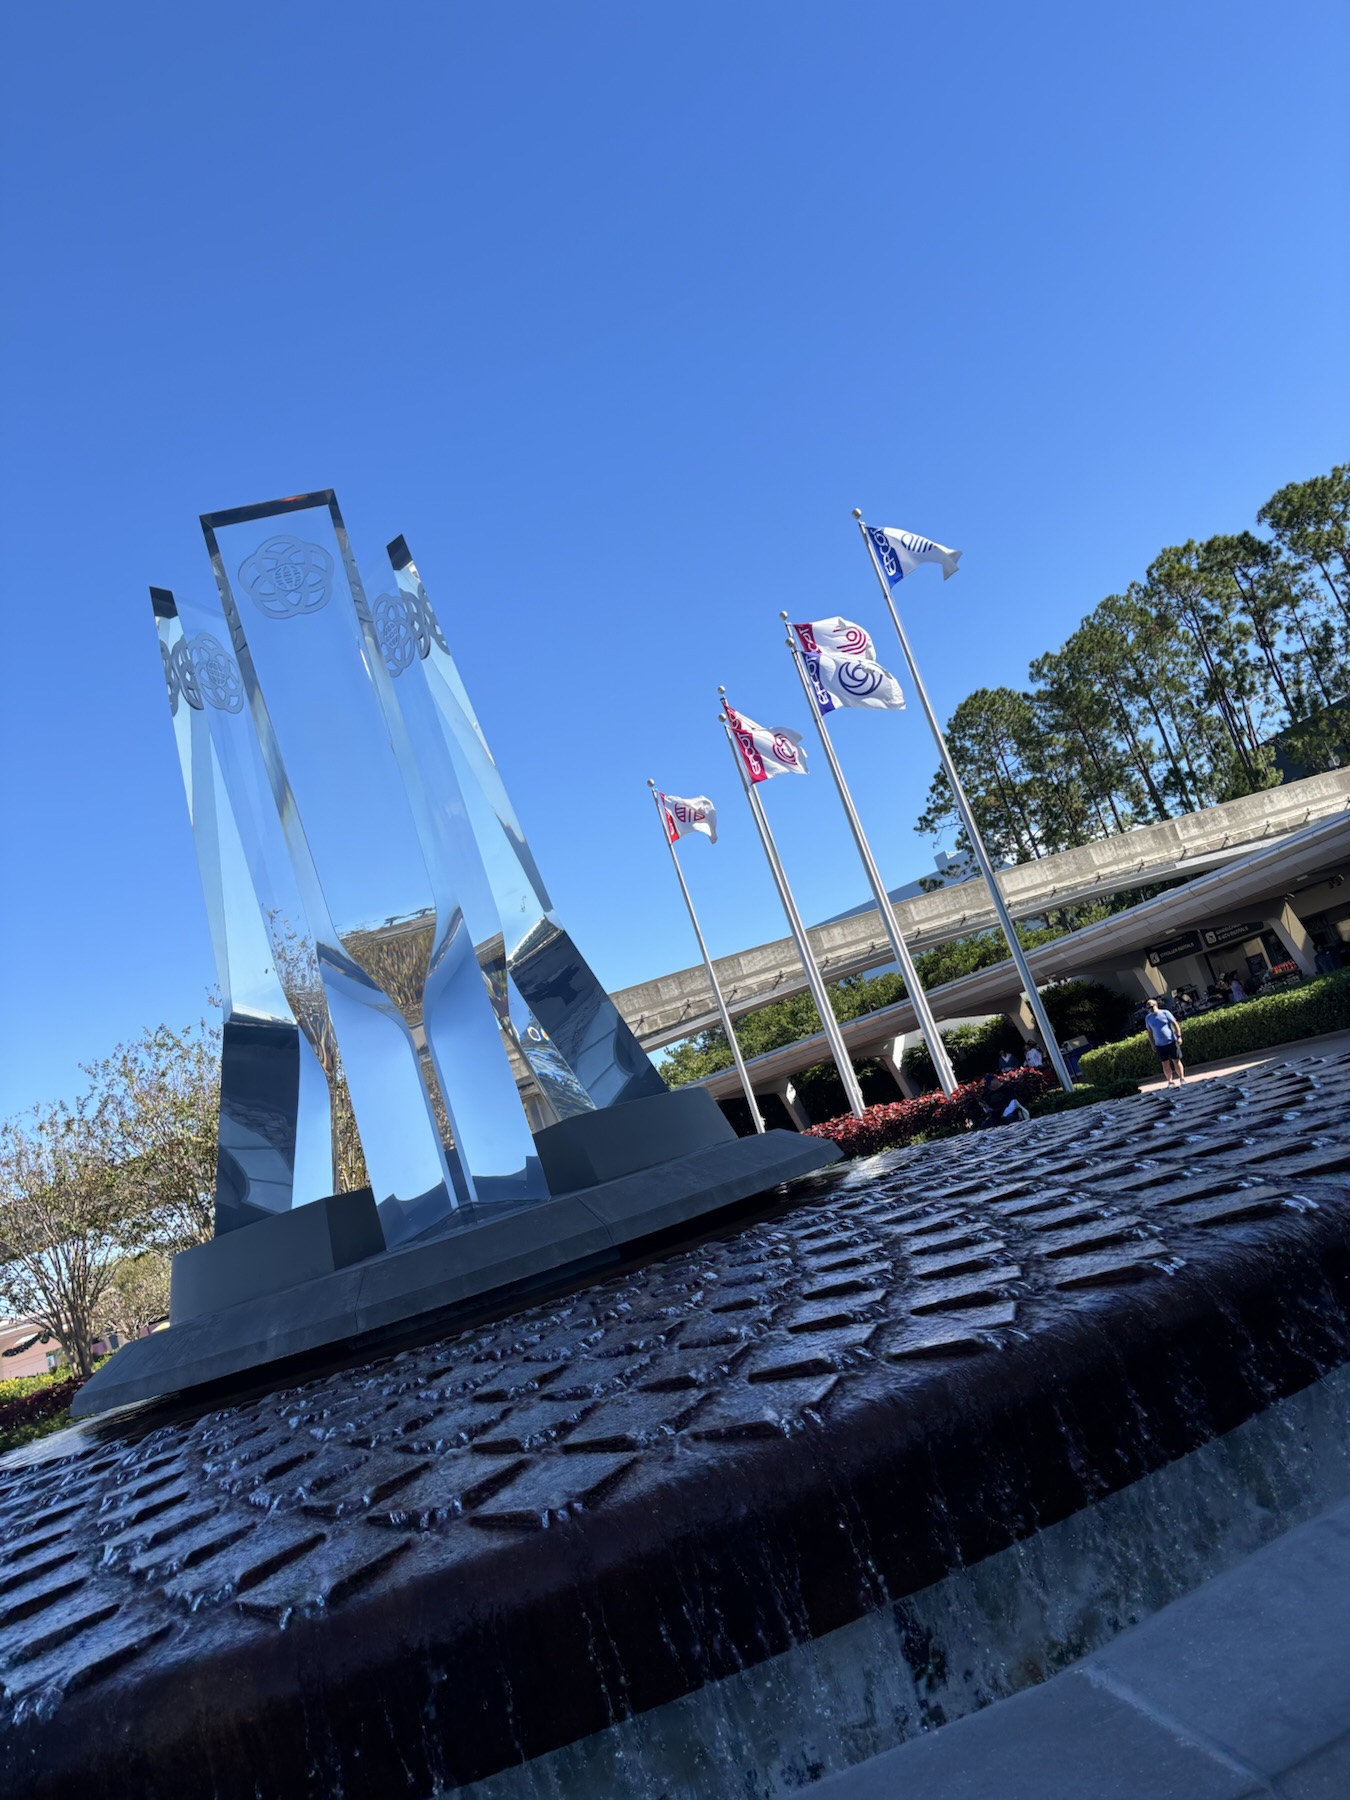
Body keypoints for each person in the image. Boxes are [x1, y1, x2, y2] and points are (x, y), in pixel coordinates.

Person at [1144, 998, 1185, 1087]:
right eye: (1148, 1008)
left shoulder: (1165, 1013)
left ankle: (1182, 1078)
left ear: (1156, 1005)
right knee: (1165, 1063)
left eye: (1151, 1007)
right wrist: (1152, 1044)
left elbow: (1175, 1024)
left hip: (1171, 1041)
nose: (1150, 1009)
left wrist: (1179, 1036)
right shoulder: (1148, 1018)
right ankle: (1170, 1081)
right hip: (1159, 1044)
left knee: (1176, 1061)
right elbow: (1149, 1032)